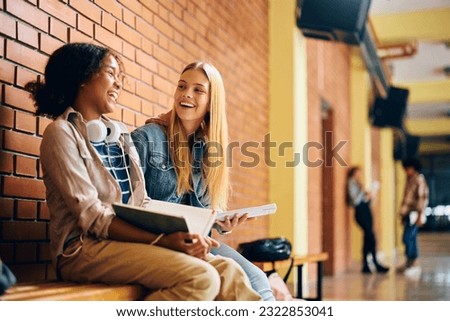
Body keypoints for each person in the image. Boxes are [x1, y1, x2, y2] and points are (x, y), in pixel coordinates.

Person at [25, 43, 260, 301]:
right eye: (111, 74)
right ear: (83, 77)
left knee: (230, 272)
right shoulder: (61, 134)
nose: (118, 84)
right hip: (81, 249)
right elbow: (92, 216)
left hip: (123, 244)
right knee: (201, 278)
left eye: (119, 77)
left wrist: (190, 232)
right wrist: (162, 239)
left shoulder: (120, 134)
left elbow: (142, 202)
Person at [131, 61, 275, 301]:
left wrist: (222, 225)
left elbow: (205, 215)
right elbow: (128, 205)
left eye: (198, 90)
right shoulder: (146, 138)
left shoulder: (209, 151)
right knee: (226, 282)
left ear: (212, 102)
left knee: (258, 278)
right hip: (158, 242)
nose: (186, 94)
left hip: (197, 242)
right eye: (182, 86)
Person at [346, 166, 389, 274]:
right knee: (371, 236)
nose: (359, 175)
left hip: (366, 210)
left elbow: (366, 200)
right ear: (353, 173)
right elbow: (355, 200)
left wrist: (370, 195)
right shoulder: (351, 183)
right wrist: (363, 192)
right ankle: (374, 261)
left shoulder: (358, 183)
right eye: (358, 173)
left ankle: (366, 264)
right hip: (360, 212)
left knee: (367, 238)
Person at [397, 157, 429, 273]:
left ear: (413, 168)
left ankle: (412, 261)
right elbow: (406, 199)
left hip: (415, 214)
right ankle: (409, 262)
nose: (406, 171)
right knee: (411, 238)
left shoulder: (418, 179)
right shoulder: (409, 179)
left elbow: (422, 198)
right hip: (407, 214)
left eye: (407, 168)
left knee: (407, 238)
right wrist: (402, 215)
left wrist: (420, 215)